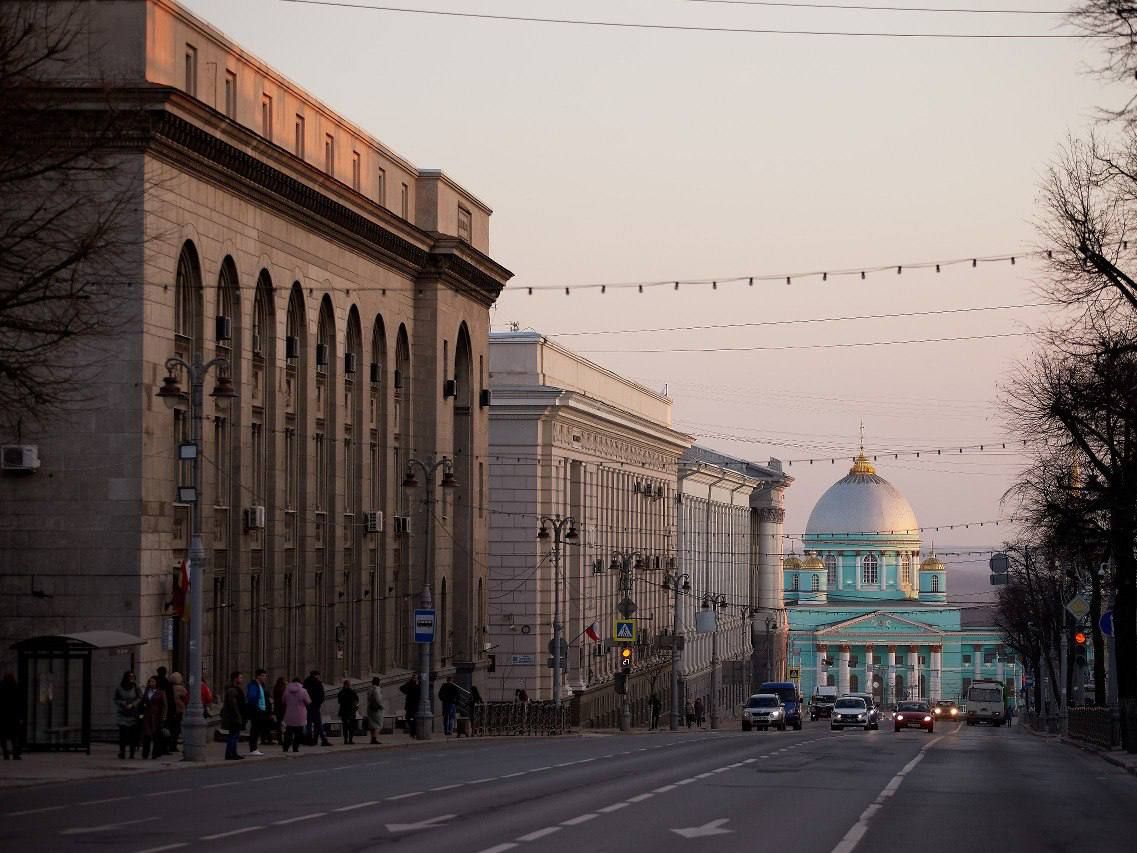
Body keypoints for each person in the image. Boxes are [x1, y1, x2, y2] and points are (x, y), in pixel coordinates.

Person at [113, 671, 141, 760]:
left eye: (133, 677)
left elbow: (140, 697)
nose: (131, 679)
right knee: (123, 734)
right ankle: (122, 751)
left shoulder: (136, 687)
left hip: (133, 713)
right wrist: (123, 703)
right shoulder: (119, 688)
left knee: (133, 734)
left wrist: (133, 704)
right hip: (123, 713)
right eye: (130, 677)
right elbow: (116, 699)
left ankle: (132, 753)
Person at [281, 677, 311, 753]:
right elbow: (308, 702)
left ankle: (285, 747)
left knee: (288, 732)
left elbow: (283, 701)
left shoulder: (287, 690)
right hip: (300, 715)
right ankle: (295, 748)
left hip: (289, 714)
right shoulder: (303, 691)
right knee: (299, 733)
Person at [140, 676, 167, 759]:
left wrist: (163, 717)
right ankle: (145, 753)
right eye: (150, 682)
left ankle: (155, 753)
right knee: (146, 735)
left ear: (156, 683)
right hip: (147, 715)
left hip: (156, 716)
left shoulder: (161, 692)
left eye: (153, 682)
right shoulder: (147, 691)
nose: (151, 683)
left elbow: (164, 705)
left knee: (156, 735)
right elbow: (143, 702)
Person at [221, 671, 246, 760]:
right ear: (235, 679)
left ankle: (234, 753)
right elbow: (233, 705)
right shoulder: (232, 690)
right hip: (233, 717)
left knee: (235, 736)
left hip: (236, 716)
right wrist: (238, 716)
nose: (242, 680)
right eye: (240, 678)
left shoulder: (236, 689)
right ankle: (230, 754)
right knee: (233, 736)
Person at [245, 669, 270, 755]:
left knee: (257, 730)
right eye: (263, 676)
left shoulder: (261, 685)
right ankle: (253, 748)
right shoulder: (253, 685)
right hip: (256, 711)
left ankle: (255, 747)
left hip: (261, 710)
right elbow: (252, 697)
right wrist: (257, 708)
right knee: (255, 730)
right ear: (258, 676)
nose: (265, 678)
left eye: (265, 676)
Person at [303, 670, 331, 746]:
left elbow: (304, 694)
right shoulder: (318, 683)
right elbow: (321, 695)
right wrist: (319, 703)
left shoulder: (306, 682)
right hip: (315, 706)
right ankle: (322, 740)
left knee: (309, 723)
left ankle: (309, 739)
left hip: (308, 705)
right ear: (316, 675)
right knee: (318, 723)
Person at [1, 672, 23, 760]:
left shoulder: (1, 687)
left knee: (3, 737)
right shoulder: (15, 687)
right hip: (13, 716)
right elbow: (19, 703)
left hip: (3, 715)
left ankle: (5, 753)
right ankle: (15, 754)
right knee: (14, 737)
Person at [167, 672, 187, 752]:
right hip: (178, 710)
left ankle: (169, 744)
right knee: (176, 729)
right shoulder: (181, 688)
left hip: (170, 710)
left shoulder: (169, 687)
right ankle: (173, 745)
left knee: (171, 728)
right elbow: (186, 698)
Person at [337, 680, 358, 744]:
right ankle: (350, 740)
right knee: (351, 726)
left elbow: (339, 701)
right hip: (350, 711)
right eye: (349, 684)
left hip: (344, 711)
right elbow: (356, 700)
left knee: (345, 726)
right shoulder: (352, 692)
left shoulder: (341, 692)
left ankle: (346, 740)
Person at [400, 673, 420, 737]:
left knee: (413, 718)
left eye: (415, 677)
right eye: (413, 677)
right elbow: (402, 688)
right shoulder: (410, 683)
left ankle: (413, 732)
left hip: (415, 704)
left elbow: (419, 693)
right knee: (408, 718)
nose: (414, 678)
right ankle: (413, 731)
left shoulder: (418, 684)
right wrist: (406, 692)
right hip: (410, 704)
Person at [366, 677, 384, 745]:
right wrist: (381, 706)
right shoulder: (377, 689)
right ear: (378, 682)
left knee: (372, 724)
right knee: (379, 724)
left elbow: (368, 698)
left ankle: (372, 738)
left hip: (369, 707)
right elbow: (378, 699)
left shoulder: (369, 688)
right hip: (376, 708)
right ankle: (374, 738)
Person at [272, 676, 288, 742]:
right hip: (283, 708)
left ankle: (279, 739)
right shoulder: (284, 689)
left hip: (277, 707)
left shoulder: (276, 688)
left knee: (279, 723)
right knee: (285, 724)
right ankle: (284, 738)